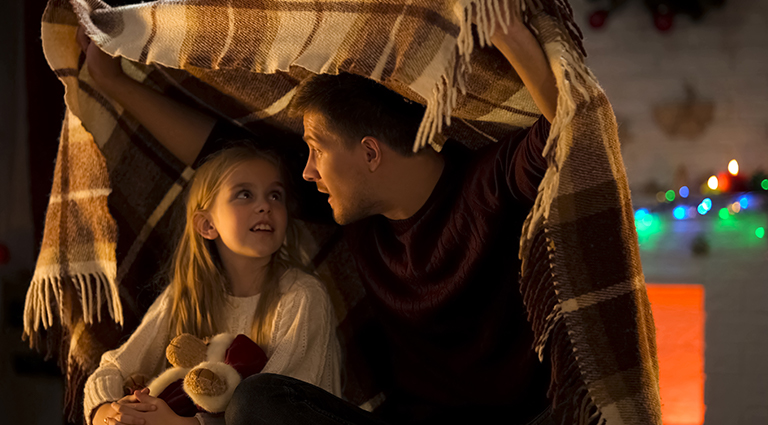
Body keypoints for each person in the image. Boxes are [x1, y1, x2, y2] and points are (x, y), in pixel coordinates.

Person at [79, 1, 558, 422]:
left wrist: (506, 31)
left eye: (314, 150)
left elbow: (565, 125)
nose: (305, 173)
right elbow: (220, 155)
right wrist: (111, 81)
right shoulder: (357, 212)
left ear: (370, 154)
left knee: (251, 401)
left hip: (520, 418)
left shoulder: (485, 184)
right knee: (260, 402)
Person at [81, 142, 342, 425]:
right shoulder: (185, 294)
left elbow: (274, 410)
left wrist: (179, 424)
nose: (265, 206)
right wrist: (110, 413)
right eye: (245, 194)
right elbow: (112, 369)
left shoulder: (302, 296)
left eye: (275, 195)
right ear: (207, 225)